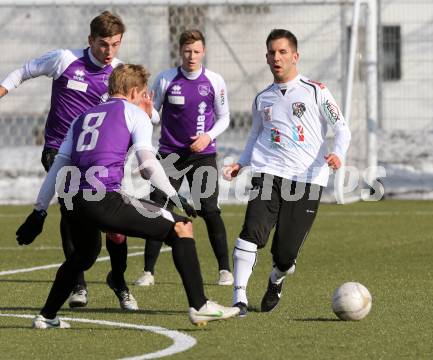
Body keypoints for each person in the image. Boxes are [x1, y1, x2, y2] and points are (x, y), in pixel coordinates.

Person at [15, 64, 240, 329]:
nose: (148, 98)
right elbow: (148, 164)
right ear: (134, 91)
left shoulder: (82, 117)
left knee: (84, 255)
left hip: (71, 200)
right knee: (182, 226)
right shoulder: (133, 113)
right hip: (101, 198)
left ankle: (47, 316)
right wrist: (175, 195)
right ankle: (200, 306)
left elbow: (58, 167)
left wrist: (39, 211)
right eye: (144, 93)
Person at [0, 11, 143, 309]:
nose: (109, 52)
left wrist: (149, 114)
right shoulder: (64, 60)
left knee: (115, 228)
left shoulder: (118, 73)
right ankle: (78, 283)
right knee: (73, 214)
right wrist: (3, 89)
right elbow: (25, 70)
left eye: (116, 45)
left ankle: (118, 279)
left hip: (99, 159)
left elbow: (138, 109)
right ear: (90, 40)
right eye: (104, 44)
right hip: (58, 151)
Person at [223, 29, 351, 316]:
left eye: (282, 52)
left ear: (295, 56)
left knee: (285, 256)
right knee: (251, 234)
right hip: (268, 173)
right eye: (271, 52)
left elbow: (342, 128)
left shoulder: (316, 90)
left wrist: (337, 154)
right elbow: (255, 134)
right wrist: (241, 163)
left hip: (307, 180)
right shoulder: (262, 99)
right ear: (267, 57)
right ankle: (239, 298)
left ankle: (276, 279)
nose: (276, 57)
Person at [134, 29, 233, 287]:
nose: (192, 56)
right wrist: (147, 111)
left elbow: (225, 118)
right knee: (158, 207)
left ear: (204, 52)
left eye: (197, 51)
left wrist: (207, 137)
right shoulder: (166, 79)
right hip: (169, 156)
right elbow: (153, 115)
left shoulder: (215, 81)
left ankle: (225, 270)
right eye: (187, 51)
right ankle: (148, 272)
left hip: (203, 155)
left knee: (209, 209)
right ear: (180, 51)